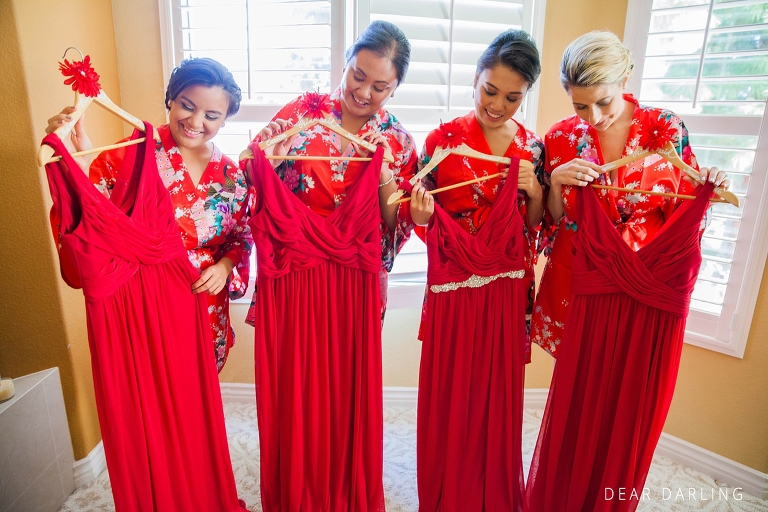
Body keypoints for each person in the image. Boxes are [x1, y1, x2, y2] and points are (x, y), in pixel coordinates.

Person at [524, 31, 730, 512]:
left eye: (603, 102)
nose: (592, 118)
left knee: (627, 406)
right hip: (584, 286)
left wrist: (711, 186)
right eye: (579, 106)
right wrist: (555, 181)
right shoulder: (559, 138)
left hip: (641, 290)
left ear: (625, 77)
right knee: (580, 402)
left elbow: (685, 204)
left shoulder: (664, 127)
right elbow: (551, 221)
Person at [243, 20, 416, 512]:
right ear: (344, 64)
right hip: (294, 272)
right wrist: (265, 159)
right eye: (357, 75)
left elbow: (397, 221)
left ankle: (342, 485)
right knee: (293, 387)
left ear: (396, 85)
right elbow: (251, 179)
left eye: (379, 85)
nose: (363, 91)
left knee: (344, 389)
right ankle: (298, 485)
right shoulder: (301, 113)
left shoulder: (397, 140)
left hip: (351, 280)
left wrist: (385, 186)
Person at [408, 29, 544, 512]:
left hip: (506, 289)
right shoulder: (441, 142)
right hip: (454, 286)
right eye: (490, 91)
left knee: (496, 397)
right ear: (476, 79)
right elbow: (421, 219)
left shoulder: (531, 147)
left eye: (513, 97)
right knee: (451, 395)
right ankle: (446, 492)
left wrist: (536, 191)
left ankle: (493, 494)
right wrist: (421, 217)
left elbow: (535, 228)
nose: (498, 105)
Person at [46, 57, 253, 373]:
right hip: (148, 303)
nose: (196, 121)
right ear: (171, 98)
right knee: (157, 401)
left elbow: (241, 235)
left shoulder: (231, 176)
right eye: (187, 105)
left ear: (224, 120)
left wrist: (225, 267)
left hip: (206, 303)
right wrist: (80, 165)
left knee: (199, 401)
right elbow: (93, 218)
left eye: (211, 115)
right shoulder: (131, 155)